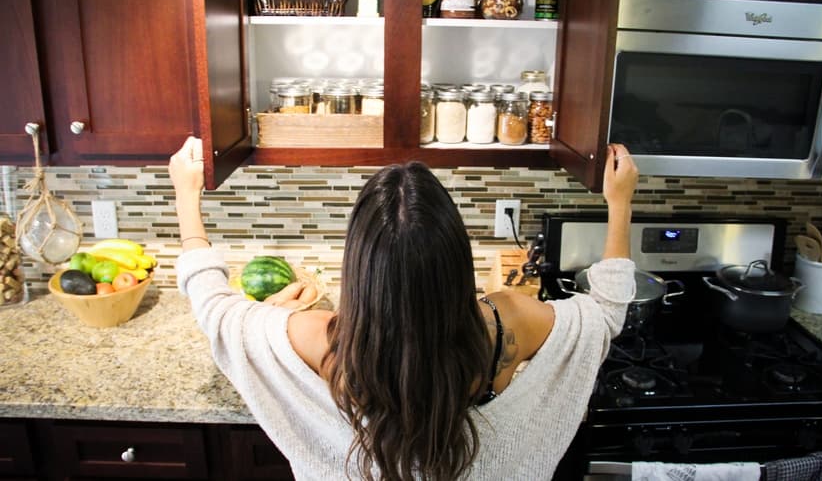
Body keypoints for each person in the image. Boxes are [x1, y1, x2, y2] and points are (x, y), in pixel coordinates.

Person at [170, 136, 638, 481]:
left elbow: (213, 306)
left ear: (359, 271)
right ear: (457, 263)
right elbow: (606, 314)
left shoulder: (315, 338)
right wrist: (619, 205)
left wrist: (186, 198)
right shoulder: (507, 322)